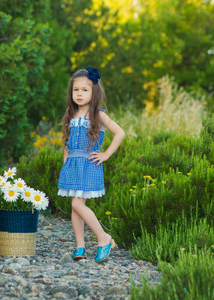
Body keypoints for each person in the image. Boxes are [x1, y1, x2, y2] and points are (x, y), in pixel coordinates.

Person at [57, 67, 125, 263]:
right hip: (72, 165)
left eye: (84, 90)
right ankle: (80, 246)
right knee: (76, 207)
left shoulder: (98, 114)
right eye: (75, 90)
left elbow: (120, 133)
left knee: (77, 203)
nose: (79, 94)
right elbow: (67, 143)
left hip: (89, 163)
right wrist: (65, 165)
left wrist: (106, 154)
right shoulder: (71, 114)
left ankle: (104, 238)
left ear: (94, 92)